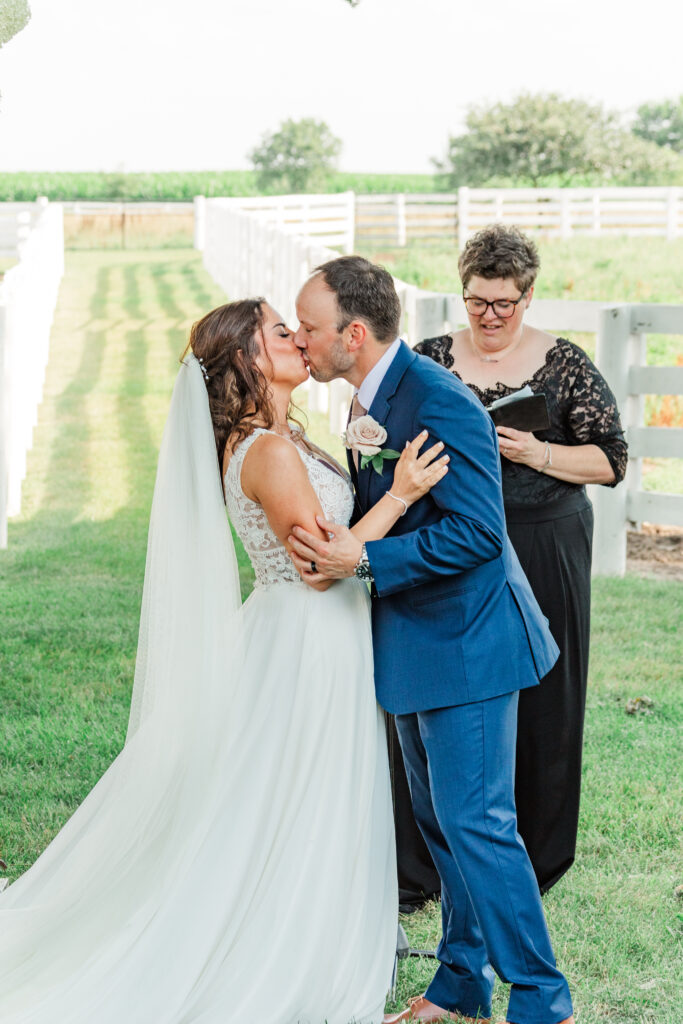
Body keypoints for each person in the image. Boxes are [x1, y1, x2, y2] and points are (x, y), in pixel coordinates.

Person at [0, 298, 449, 1023]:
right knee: (293, 793)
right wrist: (399, 495)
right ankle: (280, 943)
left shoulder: (285, 437)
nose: (300, 339)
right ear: (245, 358)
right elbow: (319, 568)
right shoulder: (265, 450)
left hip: (324, 636)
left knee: (305, 790)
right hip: (306, 636)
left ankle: (316, 924)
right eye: (281, 331)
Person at [289, 255, 575, 1024]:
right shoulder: (372, 397)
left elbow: (479, 534)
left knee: (478, 824)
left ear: (353, 333)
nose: (300, 339)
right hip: (415, 642)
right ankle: (458, 983)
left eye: (309, 328)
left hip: (467, 644)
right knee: (441, 824)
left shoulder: (438, 400)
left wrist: (367, 558)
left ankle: (543, 999)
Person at [414, 224, 628, 894]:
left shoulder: (563, 364)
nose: (488, 316)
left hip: (545, 538)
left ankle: (532, 857)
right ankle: (434, 858)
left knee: (545, 692)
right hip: (452, 542)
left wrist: (535, 451)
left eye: (503, 303)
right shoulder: (430, 360)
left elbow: (609, 460)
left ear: (528, 296)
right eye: (477, 301)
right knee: (445, 687)